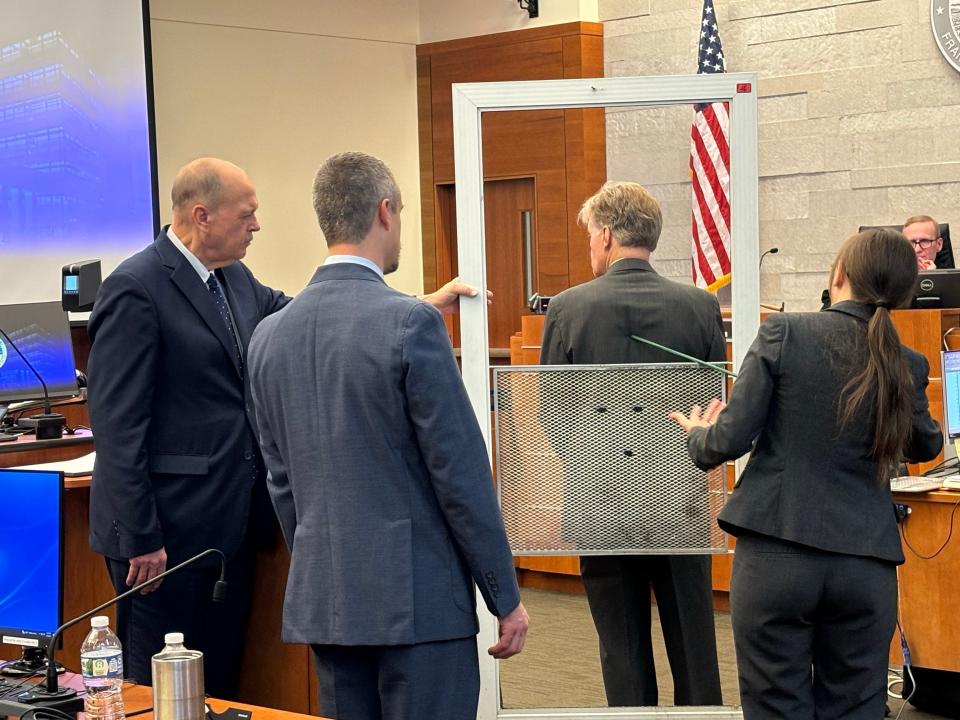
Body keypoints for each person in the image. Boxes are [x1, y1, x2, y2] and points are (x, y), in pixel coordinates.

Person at [86, 156, 483, 699]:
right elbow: (117, 425)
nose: (257, 225)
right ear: (201, 216)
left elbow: (315, 314)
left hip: (228, 532)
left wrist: (415, 308)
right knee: (159, 694)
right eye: (246, 214)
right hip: (163, 541)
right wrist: (139, 537)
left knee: (219, 687)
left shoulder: (233, 279)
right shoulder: (136, 287)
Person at [246, 151, 528, 719]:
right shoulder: (410, 324)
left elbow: (282, 484)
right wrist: (505, 595)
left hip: (329, 603)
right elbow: (461, 476)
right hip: (418, 604)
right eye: (399, 210)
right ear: (384, 213)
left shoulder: (268, 338)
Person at [669, 228, 943, 718]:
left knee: (777, 706)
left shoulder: (784, 333)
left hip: (776, 556)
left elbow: (723, 444)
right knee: (857, 707)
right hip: (865, 566)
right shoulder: (907, 362)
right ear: (903, 295)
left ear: (838, 275)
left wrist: (696, 431)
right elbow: (926, 444)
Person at [539, 180, 724, 707]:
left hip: (599, 505)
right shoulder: (700, 306)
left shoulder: (569, 308)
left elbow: (553, 417)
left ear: (604, 235)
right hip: (681, 503)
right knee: (694, 647)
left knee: (621, 649)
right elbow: (713, 408)